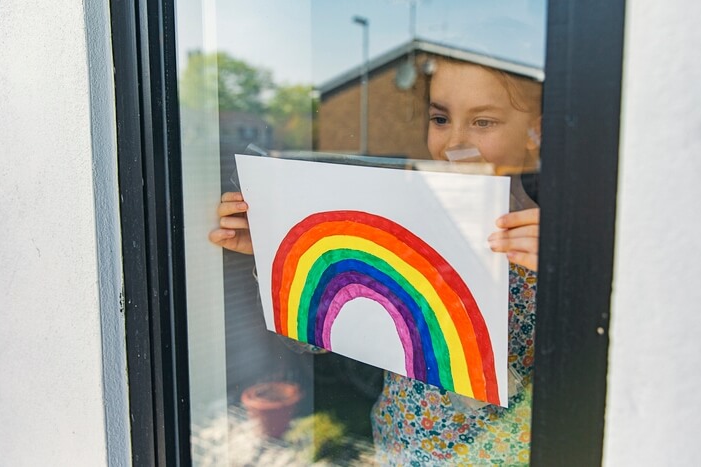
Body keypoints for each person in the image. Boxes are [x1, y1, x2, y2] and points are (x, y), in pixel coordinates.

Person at [209, 57, 541, 465]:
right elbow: (322, 332)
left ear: (535, 133)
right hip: (398, 446)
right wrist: (276, 249)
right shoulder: (409, 220)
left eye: (483, 122)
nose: (455, 141)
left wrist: (568, 275)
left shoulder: (561, 244)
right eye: (440, 119)